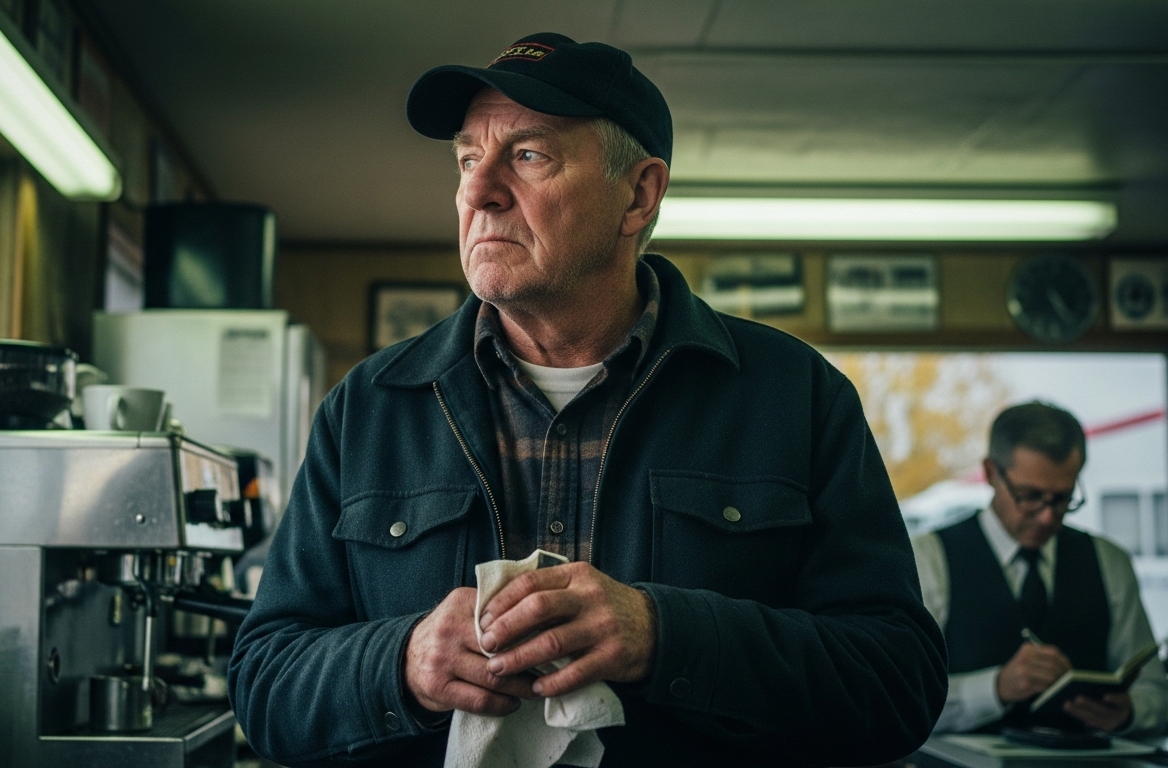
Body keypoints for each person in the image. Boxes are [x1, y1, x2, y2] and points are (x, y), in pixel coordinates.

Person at [228, 32, 946, 766]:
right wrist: (402, 662)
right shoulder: (369, 407)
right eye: (468, 159)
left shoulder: (796, 395)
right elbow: (263, 683)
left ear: (638, 194)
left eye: (529, 155)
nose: (479, 191)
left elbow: (898, 684)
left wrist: (667, 635)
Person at [913, 401, 1168, 734]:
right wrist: (995, 688)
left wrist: (1130, 711)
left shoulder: (1110, 562)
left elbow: (1156, 692)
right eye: (1029, 495)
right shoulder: (929, 558)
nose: (1047, 516)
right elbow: (899, 699)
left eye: (1062, 499)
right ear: (991, 473)